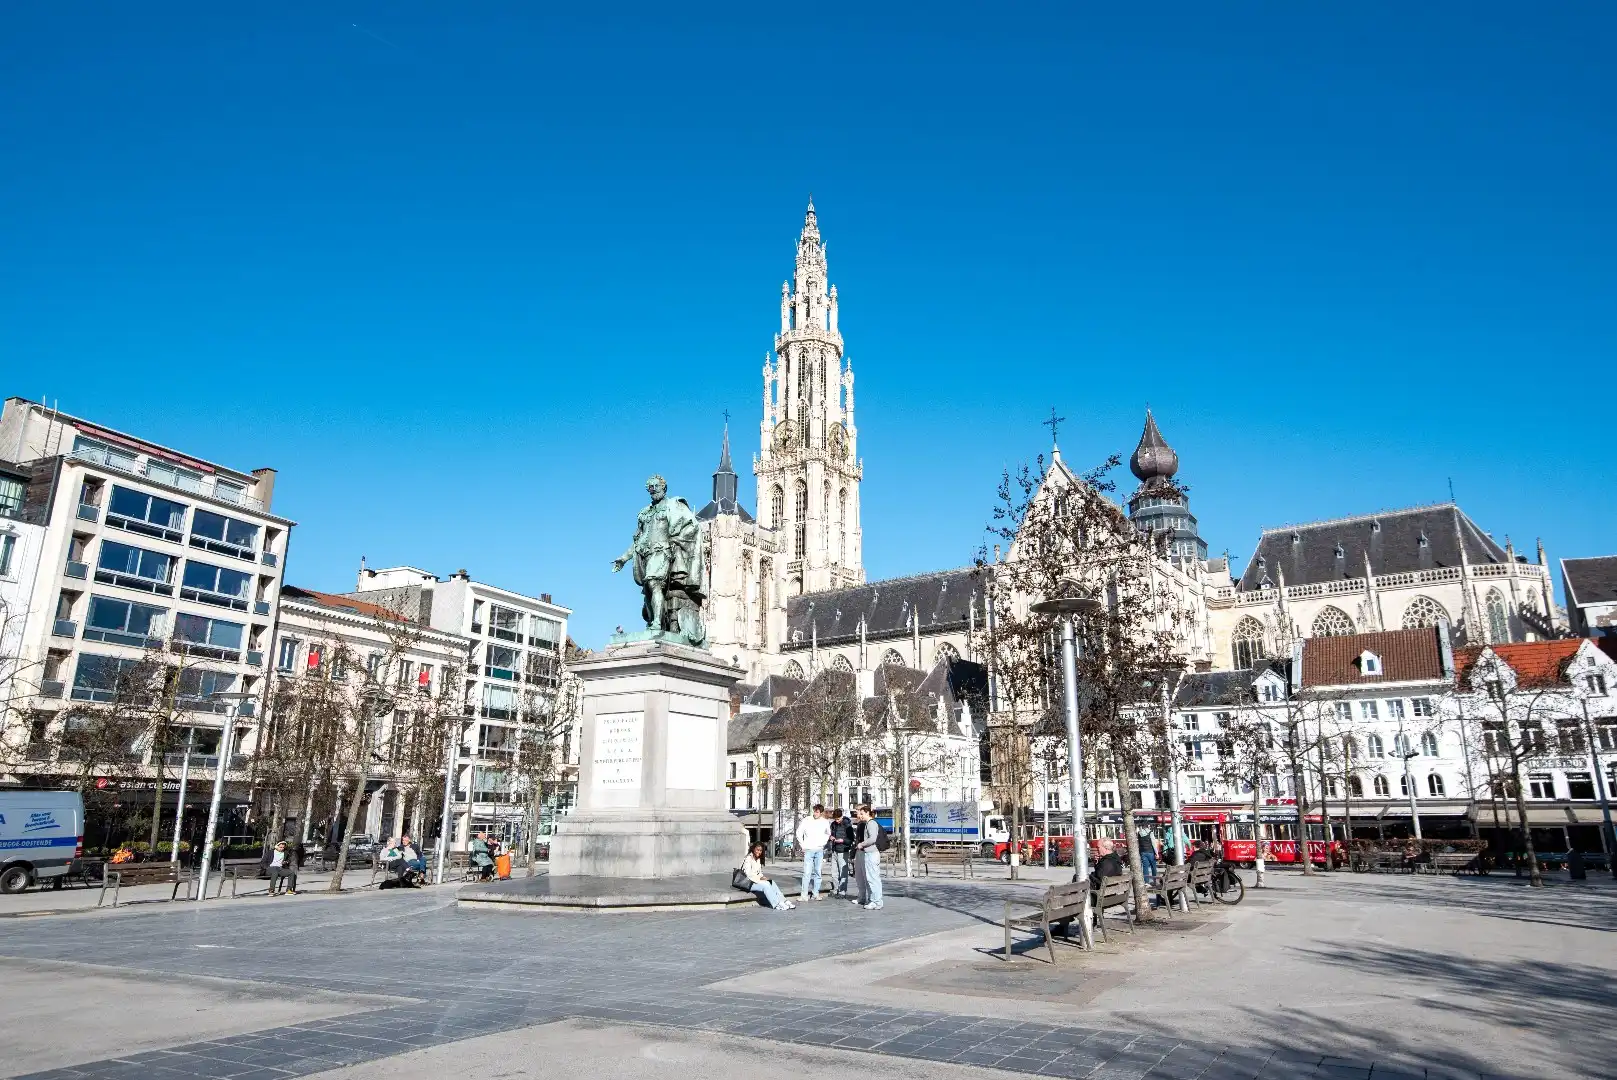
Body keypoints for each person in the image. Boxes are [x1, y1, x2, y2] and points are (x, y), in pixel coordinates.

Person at [742, 841, 795, 910]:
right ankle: (776, 904)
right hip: (749, 883)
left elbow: (759, 872)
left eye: (760, 850)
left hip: (756, 881)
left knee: (771, 882)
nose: (759, 852)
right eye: (757, 850)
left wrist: (762, 877)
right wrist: (760, 879)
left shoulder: (758, 859)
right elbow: (748, 874)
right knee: (766, 885)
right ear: (753, 849)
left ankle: (783, 900)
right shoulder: (748, 858)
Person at [796, 804, 831, 901]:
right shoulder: (807, 820)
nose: (815, 813)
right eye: (814, 811)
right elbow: (799, 832)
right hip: (809, 849)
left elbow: (828, 833)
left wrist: (822, 844)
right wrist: (802, 845)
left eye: (817, 812)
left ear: (821, 813)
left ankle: (816, 893)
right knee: (807, 872)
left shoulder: (825, 822)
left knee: (818, 872)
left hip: (819, 849)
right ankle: (804, 895)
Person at [853, 804, 884, 910]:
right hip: (870, 853)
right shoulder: (868, 823)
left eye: (862, 814)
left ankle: (876, 901)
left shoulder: (871, 823)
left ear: (867, 813)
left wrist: (861, 844)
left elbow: (872, 839)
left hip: (871, 853)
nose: (860, 816)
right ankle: (875, 900)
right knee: (872, 878)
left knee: (872, 878)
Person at [828, 807, 854, 897]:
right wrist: (830, 837)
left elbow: (851, 839)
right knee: (834, 872)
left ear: (841, 817)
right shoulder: (833, 824)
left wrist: (842, 840)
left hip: (843, 850)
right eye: (835, 819)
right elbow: (831, 834)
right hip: (834, 849)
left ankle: (842, 890)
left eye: (838, 819)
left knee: (843, 871)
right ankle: (835, 889)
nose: (837, 821)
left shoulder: (847, 825)